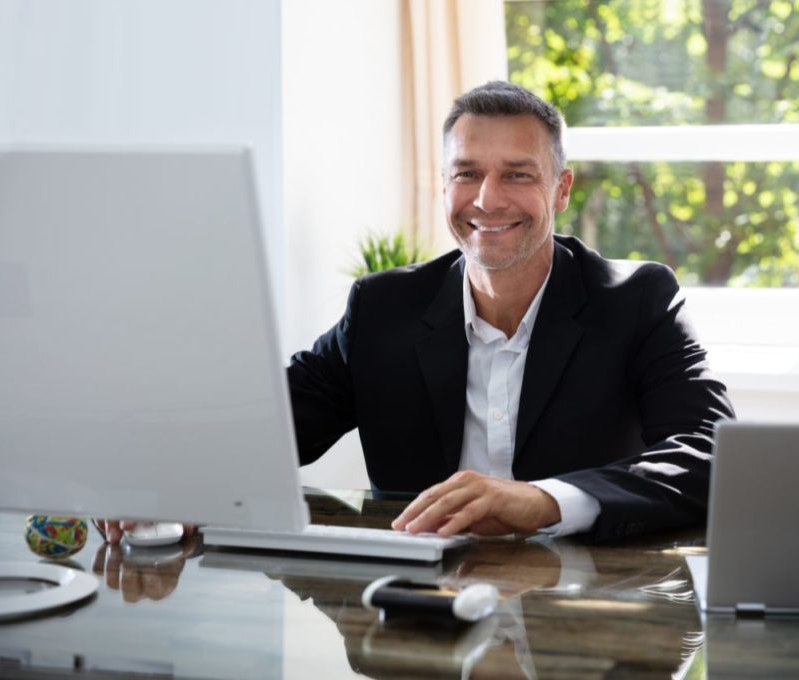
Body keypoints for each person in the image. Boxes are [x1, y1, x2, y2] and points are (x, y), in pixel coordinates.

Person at [287, 80, 734, 541]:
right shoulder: (382, 308)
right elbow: (266, 427)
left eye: (517, 175)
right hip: (419, 598)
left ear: (561, 190)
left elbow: (712, 452)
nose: (487, 199)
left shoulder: (637, 300)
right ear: (444, 185)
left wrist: (546, 500)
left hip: (580, 593)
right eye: (466, 174)